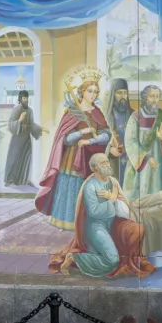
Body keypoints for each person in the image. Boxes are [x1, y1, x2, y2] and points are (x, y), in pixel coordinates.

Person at [35, 70, 111, 230]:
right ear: (82, 91)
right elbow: (65, 139)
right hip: (72, 158)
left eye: (96, 92)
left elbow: (107, 134)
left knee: (88, 190)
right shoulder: (72, 111)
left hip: (91, 157)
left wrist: (90, 139)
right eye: (90, 91)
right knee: (70, 187)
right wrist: (81, 133)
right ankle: (66, 221)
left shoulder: (97, 112)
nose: (93, 95)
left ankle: (86, 223)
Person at [122, 85, 162, 202]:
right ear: (145, 98)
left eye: (157, 97)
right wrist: (146, 157)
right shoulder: (136, 116)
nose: (155, 100)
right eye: (152, 96)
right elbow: (130, 141)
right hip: (141, 163)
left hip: (160, 162)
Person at [3, 90, 48, 187]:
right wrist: (19, 120)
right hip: (17, 138)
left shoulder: (30, 110)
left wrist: (41, 129)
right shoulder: (16, 109)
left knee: (26, 158)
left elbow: (31, 125)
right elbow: (10, 123)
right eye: (24, 98)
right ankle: (9, 179)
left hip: (27, 138)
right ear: (20, 99)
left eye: (27, 98)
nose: (26, 100)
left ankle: (25, 179)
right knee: (14, 158)